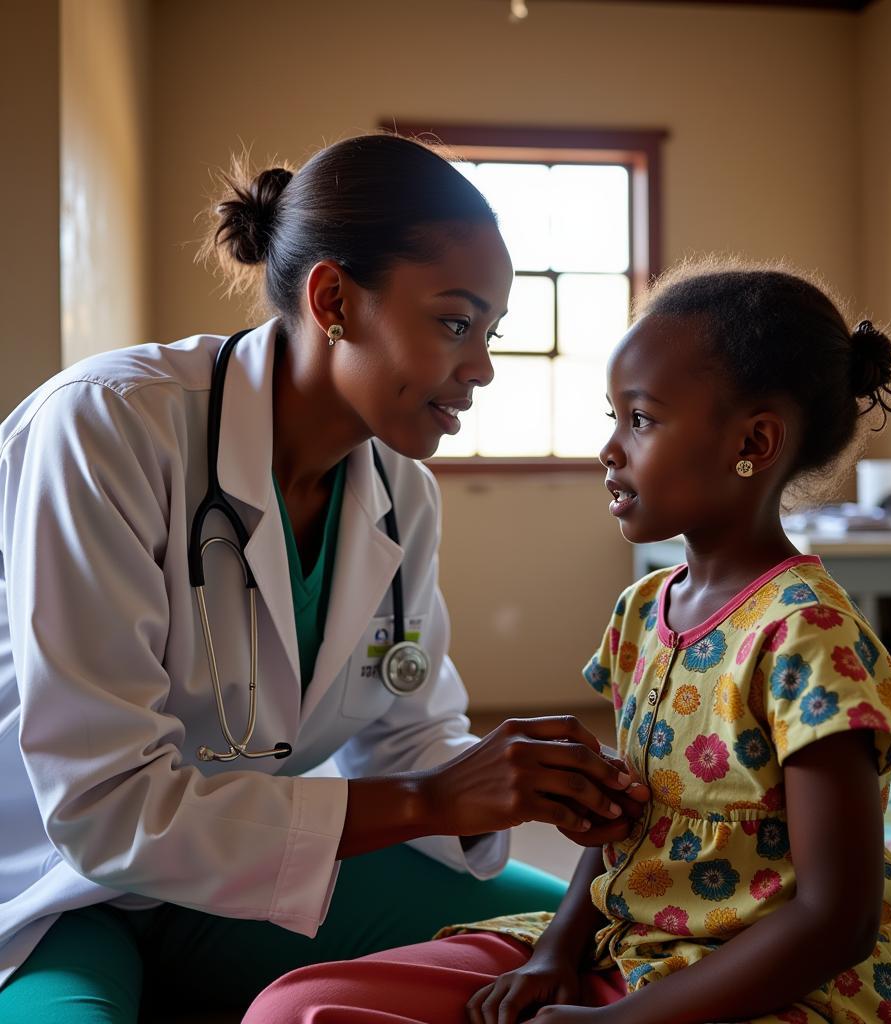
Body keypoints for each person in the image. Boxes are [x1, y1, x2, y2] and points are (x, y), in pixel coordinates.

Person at [0, 133, 650, 1023]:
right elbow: (106, 809)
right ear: (334, 298)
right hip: (52, 886)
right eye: (456, 323)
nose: (483, 368)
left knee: (606, 942)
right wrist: (432, 797)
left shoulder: (400, 495)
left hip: (240, 878)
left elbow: (408, 740)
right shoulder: (107, 429)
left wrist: (526, 783)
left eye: (490, 333)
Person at [241, 261, 891, 1024]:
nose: (609, 449)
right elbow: (623, 818)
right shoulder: (645, 612)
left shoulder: (808, 639)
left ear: (755, 442)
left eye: (641, 420)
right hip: (622, 948)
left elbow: (839, 921)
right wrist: (555, 952)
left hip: (762, 985)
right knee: (295, 1009)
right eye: (613, 417)